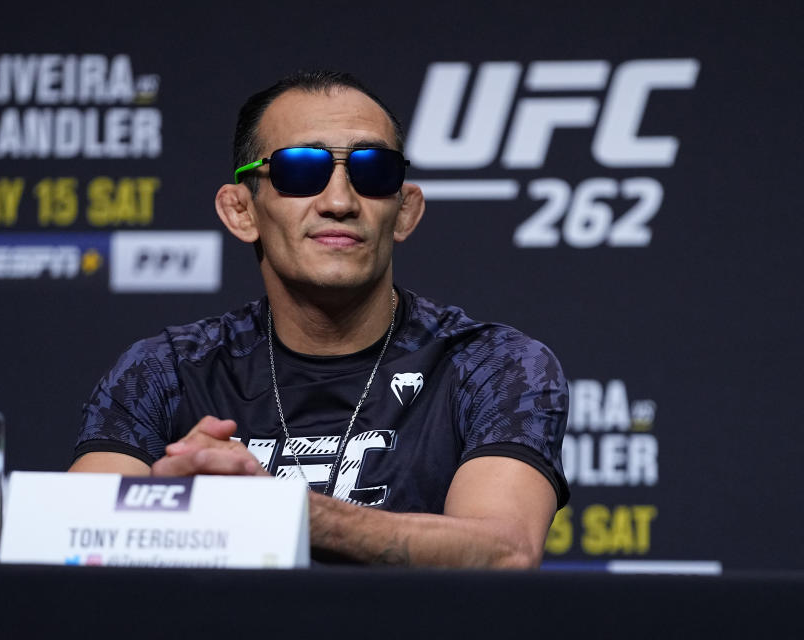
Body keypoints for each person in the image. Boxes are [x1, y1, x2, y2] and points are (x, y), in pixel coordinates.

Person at [70, 70, 568, 568]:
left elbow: (504, 551)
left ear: (405, 210)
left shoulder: (493, 365)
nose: (339, 202)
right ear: (241, 210)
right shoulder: (165, 370)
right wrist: (168, 500)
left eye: (372, 171)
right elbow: (74, 537)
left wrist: (280, 511)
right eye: (301, 171)